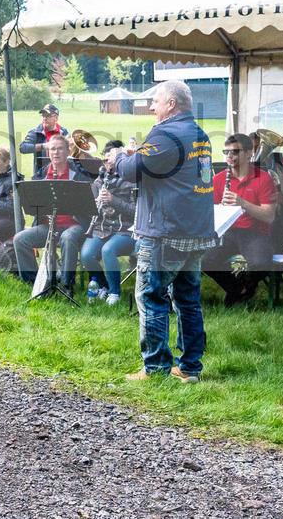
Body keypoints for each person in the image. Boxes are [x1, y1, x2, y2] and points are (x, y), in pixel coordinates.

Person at [111, 80, 215, 384]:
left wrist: (120, 157)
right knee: (187, 299)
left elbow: (131, 171)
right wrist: (139, 154)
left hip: (165, 232)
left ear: (172, 104)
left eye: (156, 100)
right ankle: (190, 368)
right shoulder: (199, 134)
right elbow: (164, 167)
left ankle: (155, 368)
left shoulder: (166, 132)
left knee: (152, 296)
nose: (152, 106)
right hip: (196, 230)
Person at [201, 134, 277, 307]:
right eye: (226, 152)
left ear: (249, 152)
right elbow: (208, 213)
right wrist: (219, 208)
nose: (229, 156)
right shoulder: (219, 179)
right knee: (205, 261)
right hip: (227, 231)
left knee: (261, 263)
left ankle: (243, 284)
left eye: (235, 152)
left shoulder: (263, 178)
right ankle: (240, 290)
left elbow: (269, 216)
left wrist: (243, 203)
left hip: (254, 232)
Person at [12, 135, 91, 292]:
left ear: (68, 151)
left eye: (60, 148)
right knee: (20, 239)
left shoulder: (79, 173)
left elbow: (87, 204)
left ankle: (68, 285)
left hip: (74, 225)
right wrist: (42, 210)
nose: (56, 152)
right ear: (48, 153)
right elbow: (32, 204)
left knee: (67, 238)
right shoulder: (41, 175)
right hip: (48, 225)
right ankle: (35, 282)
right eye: (52, 149)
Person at [80, 140, 138, 305]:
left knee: (108, 250)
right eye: (105, 160)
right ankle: (103, 286)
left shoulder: (131, 180)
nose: (107, 164)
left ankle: (114, 293)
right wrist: (94, 204)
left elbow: (136, 212)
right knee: (86, 255)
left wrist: (113, 200)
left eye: (111, 160)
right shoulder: (99, 180)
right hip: (102, 228)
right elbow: (89, 207)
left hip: (125, 230)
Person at [19, 103, 69, 178]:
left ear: (56, 118)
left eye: (48, 116)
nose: (44, 118)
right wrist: (43, 146)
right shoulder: (35, 133)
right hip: (42, 174)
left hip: (62, 173)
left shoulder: (64, 132)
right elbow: (23, 148)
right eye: (43, 116)